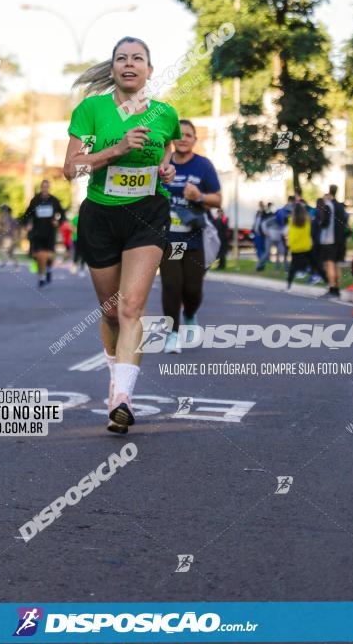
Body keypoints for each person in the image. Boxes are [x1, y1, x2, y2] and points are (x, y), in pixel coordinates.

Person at [63, 36, 180, 433]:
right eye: (121, 59)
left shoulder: (165, 113)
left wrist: (166, 170)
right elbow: (71, 169)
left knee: (132, 308)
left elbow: (167, 151)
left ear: (149, 69)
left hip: (147, 214)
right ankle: (117, 379)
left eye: (137, 59)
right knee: (111, 311)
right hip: (100, 217)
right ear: (112, 68)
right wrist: (114, 151)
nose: (129, 64)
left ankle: (123, 399)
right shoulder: (92, 110)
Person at [158, 119, 221, 353]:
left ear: (195, 139)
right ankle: (172, 334)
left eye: (188, 135)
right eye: (180, 134)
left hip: (194, 236)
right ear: (172, 139)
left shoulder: (203, 165)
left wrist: (199, 197)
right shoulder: (162, 163)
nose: (183, 138)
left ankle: (190, 313)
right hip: (171, 239)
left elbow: (218, 199)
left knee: (193, 290)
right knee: (172, 285)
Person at [20, 180, 65, 288]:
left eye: (47, 187)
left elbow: (62, 214)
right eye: (43, 187)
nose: (45, 189)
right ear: (41, 187)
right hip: (38, 232)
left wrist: (58, 222)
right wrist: (27, 225)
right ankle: (41, 278)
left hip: (50, 233)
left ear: (49, 188)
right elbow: (26, 215)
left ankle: (48, 269)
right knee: (40, 256)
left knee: (49, 256)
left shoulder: (54, 200)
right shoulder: (35, 200)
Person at [315, 185, 348, 298]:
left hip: (329, 239)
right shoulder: (340, 206)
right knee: (336, 264)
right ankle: (337, 288)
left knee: (329, 264)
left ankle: (332, 287)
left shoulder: (328, 205)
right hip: (339, 239)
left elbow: (324, 223)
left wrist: (319, 222)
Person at [286, 203, 326, 289]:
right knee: (316, 265)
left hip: (295, 247)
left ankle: (289, 284)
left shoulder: (291, 220)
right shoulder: (307, 220)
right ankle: (327, 281)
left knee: (293, 267)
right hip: (306, 246)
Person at [0, 204, 19, 269]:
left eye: (3, 210)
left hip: (8, 237)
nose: (2, 212)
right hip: (10, 237)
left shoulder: (6, 218)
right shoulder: (12, 219)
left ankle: (4, 262)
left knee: (4, 250)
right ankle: (15, 265)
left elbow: (5, 228)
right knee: (10, 252)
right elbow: (15, 229)